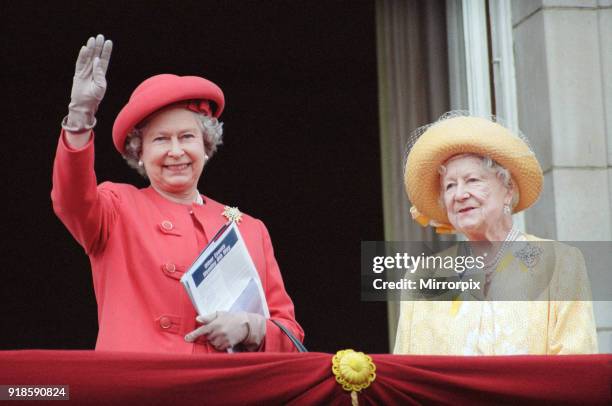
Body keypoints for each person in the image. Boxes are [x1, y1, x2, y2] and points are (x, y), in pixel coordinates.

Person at [51, 34, 303, 353]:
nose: (175, 151)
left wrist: (249, 328)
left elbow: (290, 335)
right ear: (138, 152)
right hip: (137, 390)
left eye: (186, 137)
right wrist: (79, 119)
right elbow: (70, 199)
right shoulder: (115, 207)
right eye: (160, 140)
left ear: (206, 146)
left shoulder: (250, 230)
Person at [393, 112, 598, 355]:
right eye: (450, 185)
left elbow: (575, 370)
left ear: (508, 189)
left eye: (472, 180)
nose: (460, 194)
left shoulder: (561, 264)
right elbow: (410, 377)